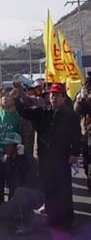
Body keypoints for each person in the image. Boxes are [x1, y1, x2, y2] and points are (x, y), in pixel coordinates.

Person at [13, 83, 81, 230]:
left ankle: (66, 221)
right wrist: (17, 99)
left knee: (63, 191)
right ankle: (52, 218)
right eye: (51, 94)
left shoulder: (71, 115)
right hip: (45, 160)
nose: (53, 97)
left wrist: (74, 153)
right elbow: (25, 112)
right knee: (49, 190)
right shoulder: (43, 112)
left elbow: (77, 137)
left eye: (56, 95)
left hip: (63, 159)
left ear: (63, 97)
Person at [0, 133, 44, 236]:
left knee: (20, 191)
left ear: (17, 146)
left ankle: (26, 224)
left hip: (35, 195)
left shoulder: (28, 160)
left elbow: (32, 181)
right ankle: (22, 213)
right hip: (18, 198)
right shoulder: (6, 160)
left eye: (8, 145)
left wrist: (23, 158)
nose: (5, 147)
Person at [0, 89, 22, 209]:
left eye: (8, 96)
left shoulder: (19, 115)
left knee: (13, 184)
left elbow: (27, 134)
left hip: (11, 155)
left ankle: (13, 209)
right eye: (3, 96)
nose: (5, 99)